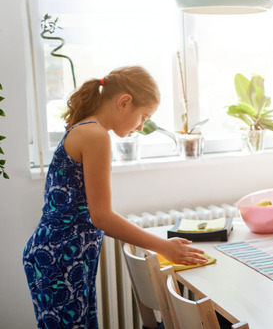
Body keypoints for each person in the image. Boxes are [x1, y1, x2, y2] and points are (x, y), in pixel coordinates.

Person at [23, 66, 207, 328]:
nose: (142, 126)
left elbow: (90, 214)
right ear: (124, 102)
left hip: (63, 256)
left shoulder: (88, 130)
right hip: (59, 259)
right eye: (143, 117)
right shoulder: (95, 135)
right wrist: (163, 246)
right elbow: (102, 217)